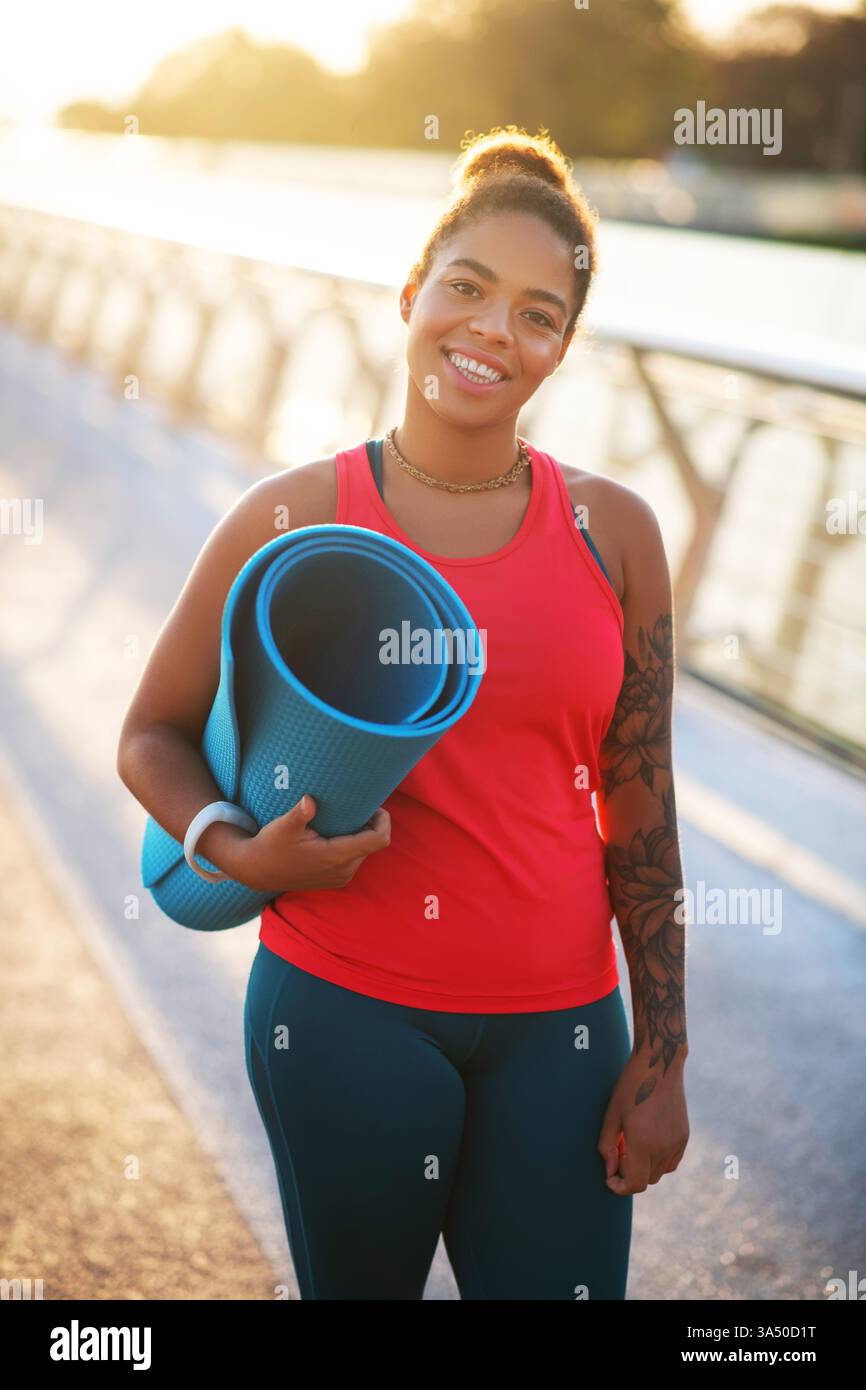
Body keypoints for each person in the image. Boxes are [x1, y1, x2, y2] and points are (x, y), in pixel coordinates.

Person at [117, 124, 690, 1301]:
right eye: (467, 288)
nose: (492, 329)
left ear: (560, 350)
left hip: (565, 1034)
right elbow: (152, 733)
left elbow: (640, 802)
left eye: (537, 313)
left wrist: (664, 1051)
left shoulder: (615, 533)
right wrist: (235, 846)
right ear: (409, 297)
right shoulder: (291, 514)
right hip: (341, 1011)